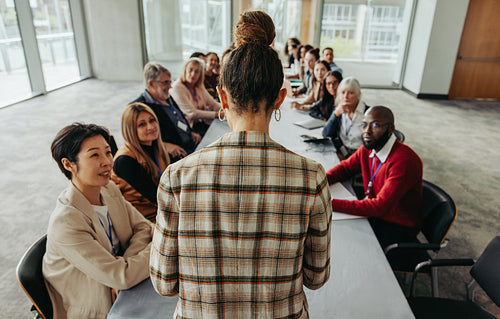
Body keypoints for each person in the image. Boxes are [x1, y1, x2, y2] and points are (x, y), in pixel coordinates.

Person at [150, 10, 332, 318]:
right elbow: (316, 277)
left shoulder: (177, 177)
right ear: (279, 98)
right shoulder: (311, 177)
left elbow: (164, 283)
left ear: (221, 96)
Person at [43, 123, 152, 319]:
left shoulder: (108, 189)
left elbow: (143, 227)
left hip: (124, 287)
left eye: (108, 152)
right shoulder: (66, 222)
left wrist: (122, 266)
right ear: (68, 164)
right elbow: (123, 276)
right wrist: (159, 249)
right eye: (94, 155)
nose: (107, 162)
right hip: (96, 308)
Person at [326, 106, 423, 249]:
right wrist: (319, 182)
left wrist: (327, 203)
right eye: (364, 125)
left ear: (390, 129)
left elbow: (379, 207)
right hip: (376, 211)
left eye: (375, 125)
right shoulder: (369, 147)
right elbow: (345, 168)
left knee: (342, 241)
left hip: (398, 225)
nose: (367, 131)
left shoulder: (404, 161)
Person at [111, 103, 170, 222]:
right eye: (142, 124)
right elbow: (157, 196)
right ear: (130, 130)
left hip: (161, 210)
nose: (150, 127)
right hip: (145, 220)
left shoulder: (154, 146)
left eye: (152, 120)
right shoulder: (125, 161)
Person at [131, 62, 201, 158]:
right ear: (151, 83)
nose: (170, 86)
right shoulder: (138, 107)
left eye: (170, 82)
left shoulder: (166, 96)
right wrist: (163, 146)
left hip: (190, 143)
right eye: (165, 82)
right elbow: (134, 141)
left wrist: (190, 132)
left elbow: (178, 119)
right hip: (174, 155)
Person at [170, 57, 221, 136]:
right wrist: (217, 114)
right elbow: (192, 113)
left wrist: (227, 108)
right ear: (185, 70)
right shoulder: (177, 87)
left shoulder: (198, 85)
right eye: (190, 70)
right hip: (187, 129)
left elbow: (213, 104)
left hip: (201, 123)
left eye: (197, 71)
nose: (193, 74)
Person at [322, 76, 369, 158]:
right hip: (342, 152)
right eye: (343, 92)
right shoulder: (339, 110)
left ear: (358, 95)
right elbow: (326, 134)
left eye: (350, 93)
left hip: (361, 156)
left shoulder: (368, 113)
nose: (345, 96)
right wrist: (335, 115)